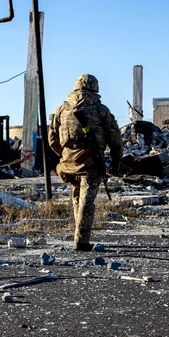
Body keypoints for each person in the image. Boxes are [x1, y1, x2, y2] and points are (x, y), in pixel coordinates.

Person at [49, 74, 123, 251]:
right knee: (86, 201)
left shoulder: (62, 108)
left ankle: (78, 234)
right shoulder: (100, 109)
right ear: (94, 88)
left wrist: (66, 154)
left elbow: (52, 139)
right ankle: (81, 241)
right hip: (91, 162)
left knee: (76, 197)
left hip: (68, 163)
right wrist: (116, 161)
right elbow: (115, 139)